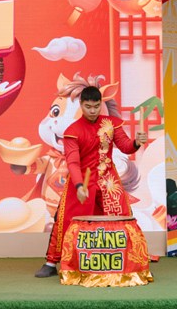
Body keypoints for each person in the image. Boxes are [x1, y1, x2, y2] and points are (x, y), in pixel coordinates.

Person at [34, 86, 148, 277]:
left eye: (96, 106)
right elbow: (73, 161)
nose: (92, 111)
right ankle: (51, 262)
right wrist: (79, 185)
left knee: (121, 219)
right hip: (81, 181)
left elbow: (126, 147)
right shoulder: (73, 131)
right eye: (88, 107)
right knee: (67, 221)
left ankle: (124, 260)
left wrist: (136, 142)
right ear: (81, 105)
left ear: (100, 104)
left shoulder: (111, 124)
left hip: (108, 181)